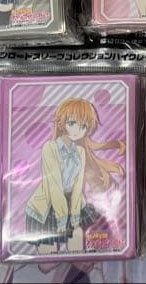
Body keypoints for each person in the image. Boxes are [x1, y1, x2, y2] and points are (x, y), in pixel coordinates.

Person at [26, 98, 125, 253]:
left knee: (76, 244)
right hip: (46, 207)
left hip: (72, 203)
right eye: (72, 123)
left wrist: (74, 216)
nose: (77, 130)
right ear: (62, 122)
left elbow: (78, 187)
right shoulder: (50, 148)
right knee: (48, 252)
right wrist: (62, 219)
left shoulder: (80, 152)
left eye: (83, 126)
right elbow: (54, 185)